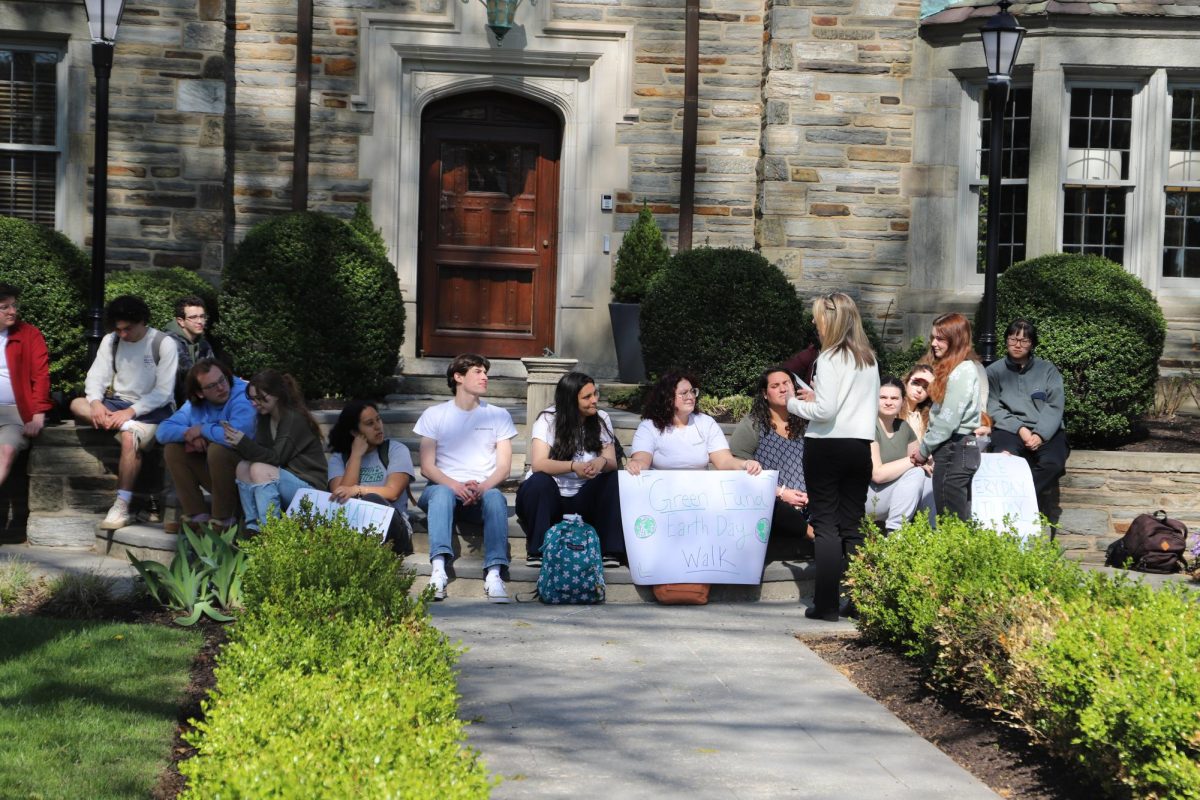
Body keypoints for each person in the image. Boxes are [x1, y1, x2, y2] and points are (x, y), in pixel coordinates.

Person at [786, 291, 879, 622]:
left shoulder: (828, 358)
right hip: (859, 447)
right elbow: (847, 403)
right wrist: (816, 397)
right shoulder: (868, 358)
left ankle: (825, 604)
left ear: (831, 320)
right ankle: (859, 601)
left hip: (827, 447)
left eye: (817, 316)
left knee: (825, 525)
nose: (814, 321)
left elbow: (825, 411)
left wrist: (792, 404)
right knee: (852, 526)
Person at [414, 354, 518, 603]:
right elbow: (427, 467)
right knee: (440, 493)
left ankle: (494, 574)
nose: (485, 377)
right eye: (478, 372)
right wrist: (455, 485)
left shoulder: (498, 415)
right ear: (458, 377)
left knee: (495, 497)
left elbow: (503, 468)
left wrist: (482, 487)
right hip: (443, 489)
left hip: (481, 491)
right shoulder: (434, 414)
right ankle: (438, 571)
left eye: (486, 373)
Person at [70, 295, 178, 530]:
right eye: (118, 329)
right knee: (77, 405)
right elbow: (96, 376)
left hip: (154, 410)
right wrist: (96, 402)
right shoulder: (112, 340)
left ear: (142, 321)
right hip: (118, 404)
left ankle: (121, 506)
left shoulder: (163, 343)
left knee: (131, 438)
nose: (123, 334)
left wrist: (131, 411)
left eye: (128, 329)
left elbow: (163, 392)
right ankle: (125, 425)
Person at [516, 371, 623, 569]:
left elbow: (611, 461)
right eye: (587, 397)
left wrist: (600, 462)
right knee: (539, 480)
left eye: (595, 394)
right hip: (550, 498)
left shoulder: (601, 418)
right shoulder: (548, 420)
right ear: (570, 400)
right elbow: (539, 463)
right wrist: (574, 467)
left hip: (583, 497)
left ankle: (610, 550)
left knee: (612, 478)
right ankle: (536, 550)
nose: (594, 401)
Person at [155, 359, 256, 529]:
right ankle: (197, 519)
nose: (221, 387)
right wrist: (189, 435)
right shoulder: (195, 404)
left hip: (249, 479)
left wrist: (203, 430)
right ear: (200, 393)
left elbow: (237, 434)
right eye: (212, 386)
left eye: (222, 380)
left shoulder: (243, 395)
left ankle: (224, 522)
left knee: (218, 449)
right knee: (173, 449)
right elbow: (163, 431)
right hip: (218, 478)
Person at [225, 370, 327, 533]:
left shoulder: (293, 418)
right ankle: (253, 527)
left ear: (277, 395)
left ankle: (270, 532)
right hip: (287, 480)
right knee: (243, 467)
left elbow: (275, 458)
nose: (255, 404)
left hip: (312, 491)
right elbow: (259, 453)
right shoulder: (264, 418)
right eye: (252, 399)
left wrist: (243, 442)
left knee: (259, 469)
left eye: (260, 398)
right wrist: (238, 443)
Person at [729, 366, 813, 561]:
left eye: (787, 384)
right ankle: (815, 536)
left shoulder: (809, 421)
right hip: (772, 502)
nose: (783, 389)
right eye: (775, 386)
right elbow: (738, 470)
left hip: (811, 500)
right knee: (777, 508)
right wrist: (781, 493)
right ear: (765, 394)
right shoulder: (753, 425)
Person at [987, 318, 1069, 517]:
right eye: (1013, 339)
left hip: (1047, 430)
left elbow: (1055, 405)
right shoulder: (993, 371)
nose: (1017, 344)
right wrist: (1020, 429)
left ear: (1032, 344)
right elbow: (992, 406)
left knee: (1053, 464)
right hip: (1009, 429)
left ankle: (1018, 499)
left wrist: (1040, 434)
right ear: (1006, 341)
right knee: (1004, 460)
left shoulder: (1047, 370)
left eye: (1024, 341)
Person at [911, 312, 985, 523]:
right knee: (958, 520)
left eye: (940, 339)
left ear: (956, 340)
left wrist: (923, 451)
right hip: (959, 449)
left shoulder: (963, 371)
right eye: (933, 337)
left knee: (951, 522)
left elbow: (948, 420)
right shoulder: (957, 369)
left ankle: (957, 557)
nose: (934, 343)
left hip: (955, 449)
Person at [626, 371, 762, 476]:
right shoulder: (649, 426)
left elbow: (724, 461)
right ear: (667, 397)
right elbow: (642, 459)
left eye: (692, 391)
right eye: (684, 393)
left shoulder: (706, 423)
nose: (691, 396)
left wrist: (745, 464)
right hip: (662, 496)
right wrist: (636, 465)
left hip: (699, 496)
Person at [328, 400, 416, 555]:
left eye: (378, 419)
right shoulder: (339, 458)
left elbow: (393, 492)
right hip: (353, 529)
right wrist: (356, 456)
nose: (378, 426)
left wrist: (357, 490)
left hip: (394, 529)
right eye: (369, 423)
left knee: (373, 501)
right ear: (355, 432)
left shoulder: (395, 450)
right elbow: (339, 499)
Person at [0, 284, 51, 488]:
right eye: (5, 307)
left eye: (14, 305)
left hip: (14, 412)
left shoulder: (29, 334)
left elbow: (41, 375)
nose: (13, 311)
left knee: (7, 451)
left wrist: (38, 415)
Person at [865, 377, 928, 534]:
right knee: (917, 471)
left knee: (929, 477)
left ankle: (932, 530)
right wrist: (914, 460)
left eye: (894, 398)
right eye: (883, 397)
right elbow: (877, 474)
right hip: (868, 497)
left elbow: (924, 460)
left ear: (902, 401)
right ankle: (895, 533)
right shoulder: (869, 426)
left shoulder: (903, 427)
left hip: (893, 495)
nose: (888, 402)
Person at [165, 295, 215, 405]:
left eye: (202, 316)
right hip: (172, 406)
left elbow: (214, 369)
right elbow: (190, 373)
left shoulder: (203, 344)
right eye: (193, 317)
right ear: (181, 321)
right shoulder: (170, 342)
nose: (200, 321)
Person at [902, 364, 934, 441]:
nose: (919, 390)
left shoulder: (929, 417)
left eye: (925, 387)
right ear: (906, 382)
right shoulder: (892, 410)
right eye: (916, 383)